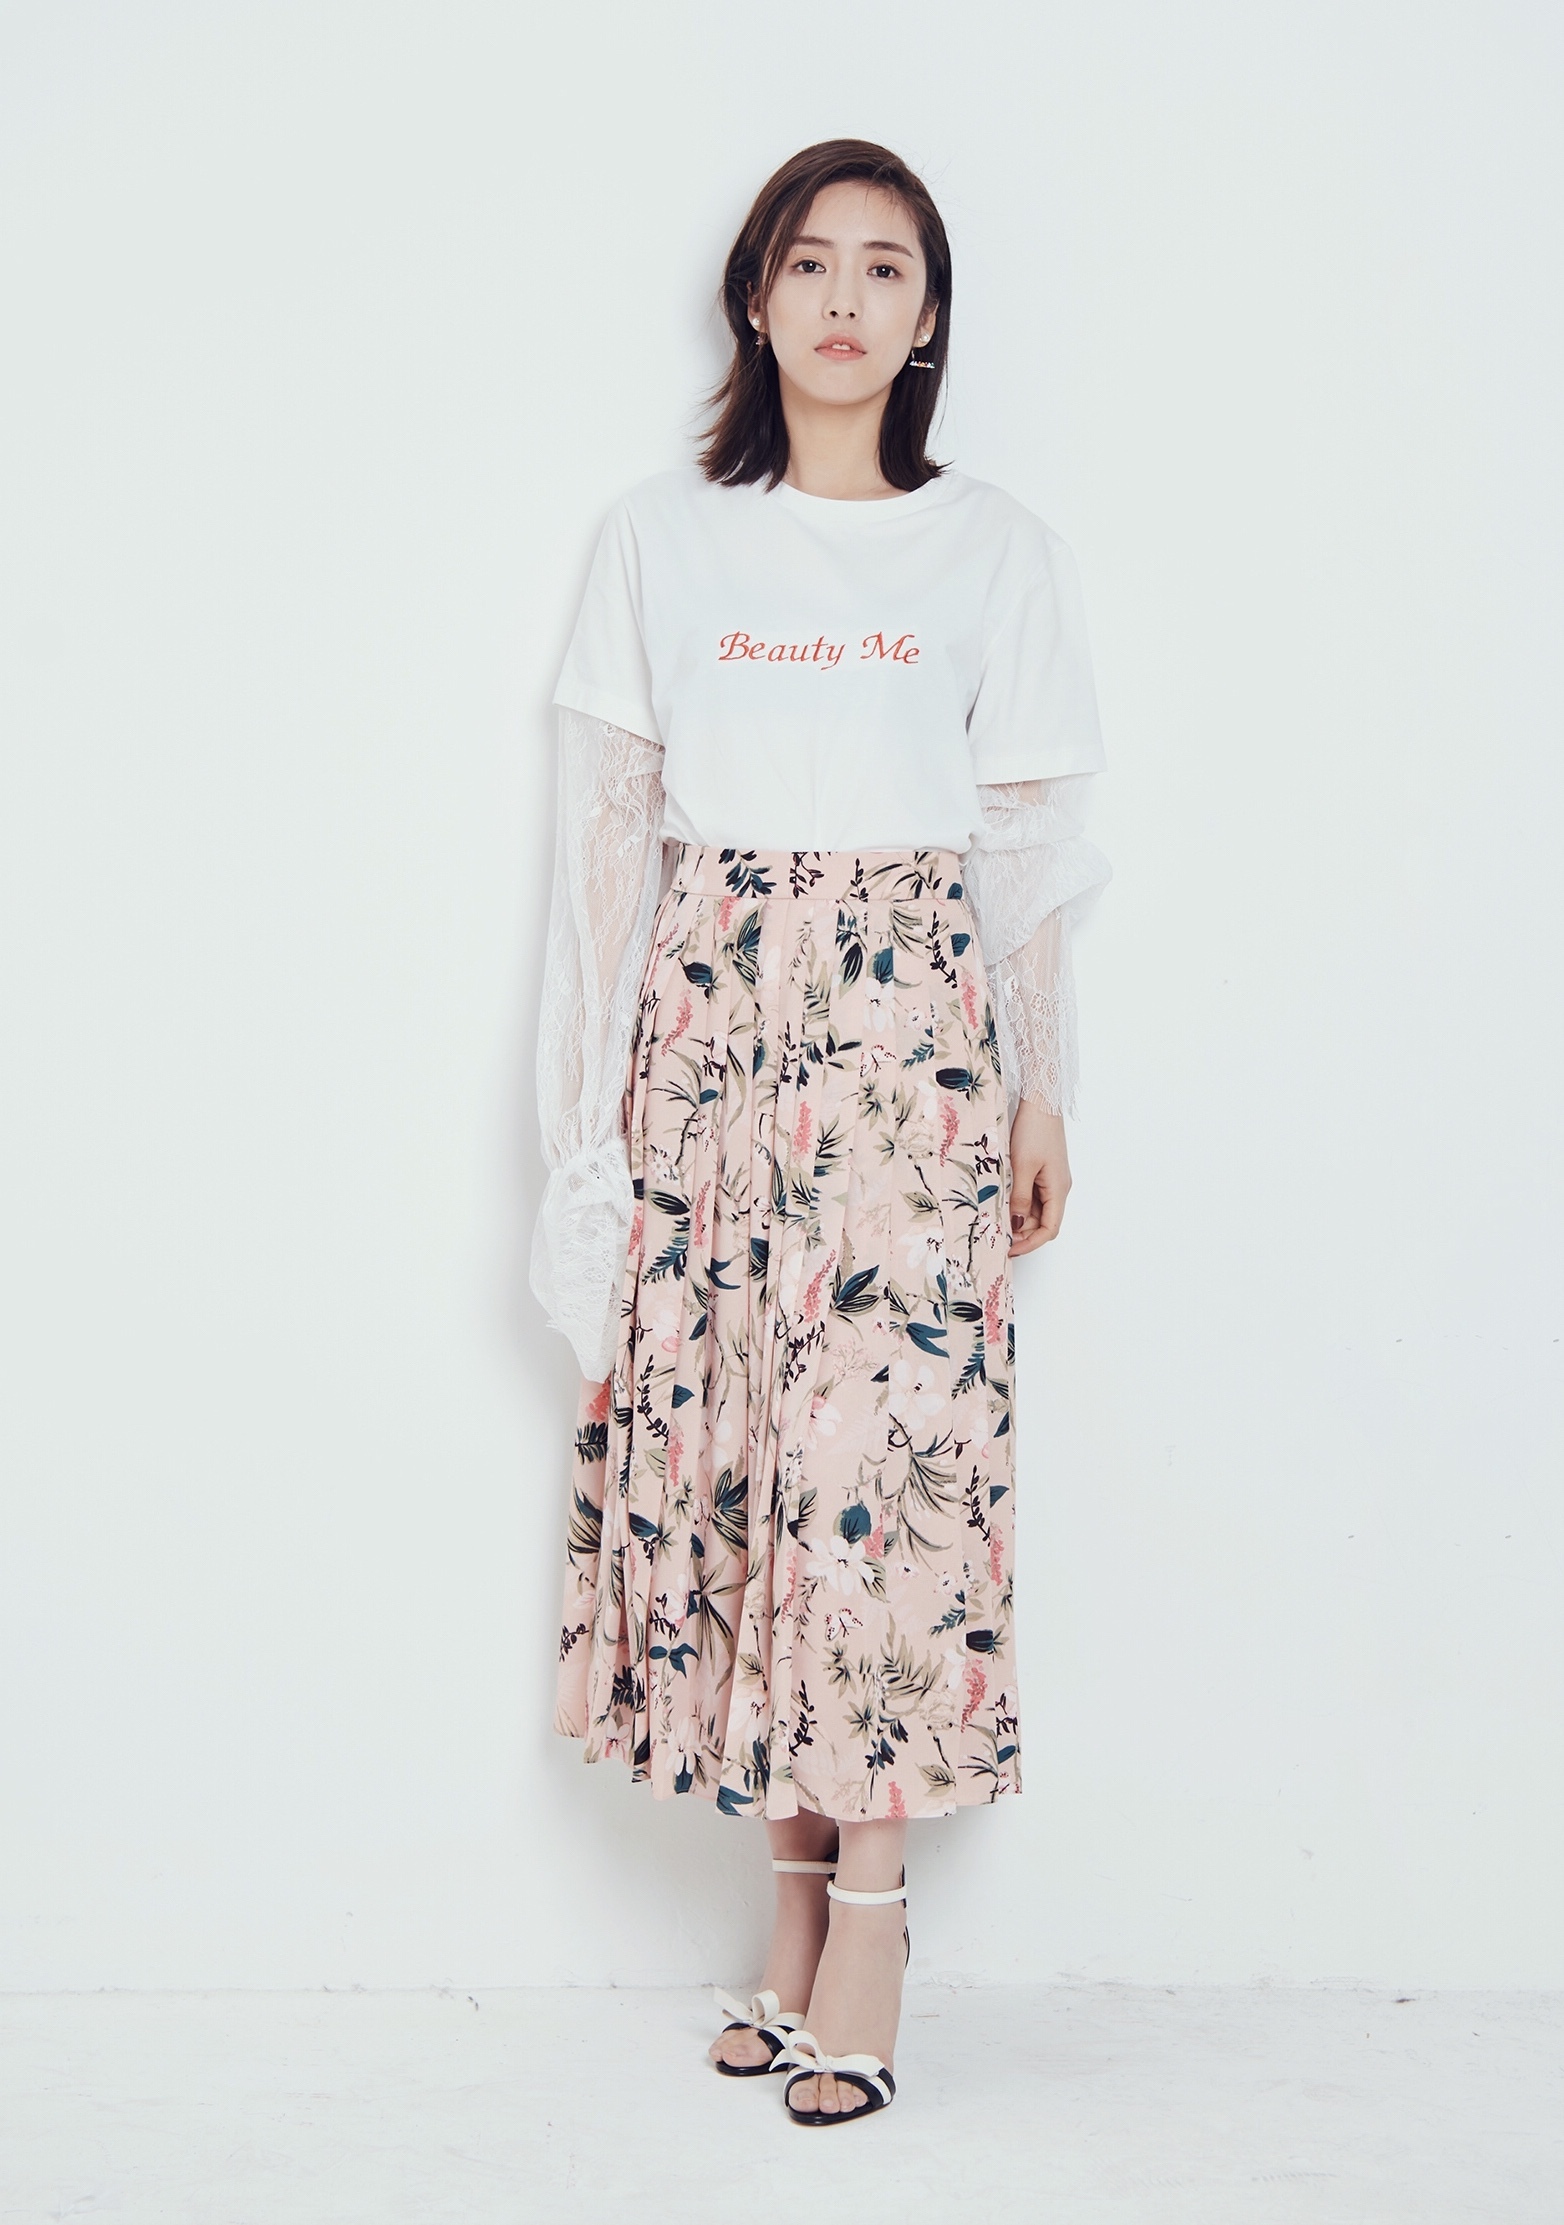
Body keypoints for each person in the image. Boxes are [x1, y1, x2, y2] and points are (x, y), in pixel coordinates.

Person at [530, 139, 1109, 2126]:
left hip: (908, 1040)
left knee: (887, 1461)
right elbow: (603, 853)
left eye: (885, 269)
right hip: (706, 1036)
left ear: (928, 320)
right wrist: (586, 1124)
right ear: (755, 298)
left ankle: (870, 1916)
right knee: (751, 1461)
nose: (845, 299)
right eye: (809, 262)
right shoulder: (659, 539)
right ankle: (786, 1912)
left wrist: (1043, 1083)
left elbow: (1026, 857)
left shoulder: (996, 550)